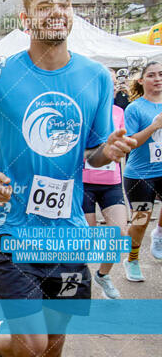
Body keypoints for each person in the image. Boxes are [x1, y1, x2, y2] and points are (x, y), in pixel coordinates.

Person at [0, 0, 136, 357]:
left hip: (66, 228)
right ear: (26, 19)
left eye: (64, 5)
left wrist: (111, 149)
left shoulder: (97, 78)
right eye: (45, 6)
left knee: (54, 340)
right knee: (31, 343)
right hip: (10, 224)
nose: (57, 12)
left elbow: (93, 155)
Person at [81, 69, 128, 298]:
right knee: (85, 240)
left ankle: (102, 275)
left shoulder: (119, 112)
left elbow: (126, 142)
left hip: (111, 182)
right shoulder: (82, 111)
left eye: (110, 84)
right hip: (84, 183)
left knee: (118, 233)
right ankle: (79, 279)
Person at [122, 61, 162, 281]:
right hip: (140, 175)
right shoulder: (135, 108)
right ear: (141, 80)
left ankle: (159, 235)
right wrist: (154, 126)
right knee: (140, 222)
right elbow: (131, 142)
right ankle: (133, 260)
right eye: (152, 75)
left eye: (161, 74)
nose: (157, 79)